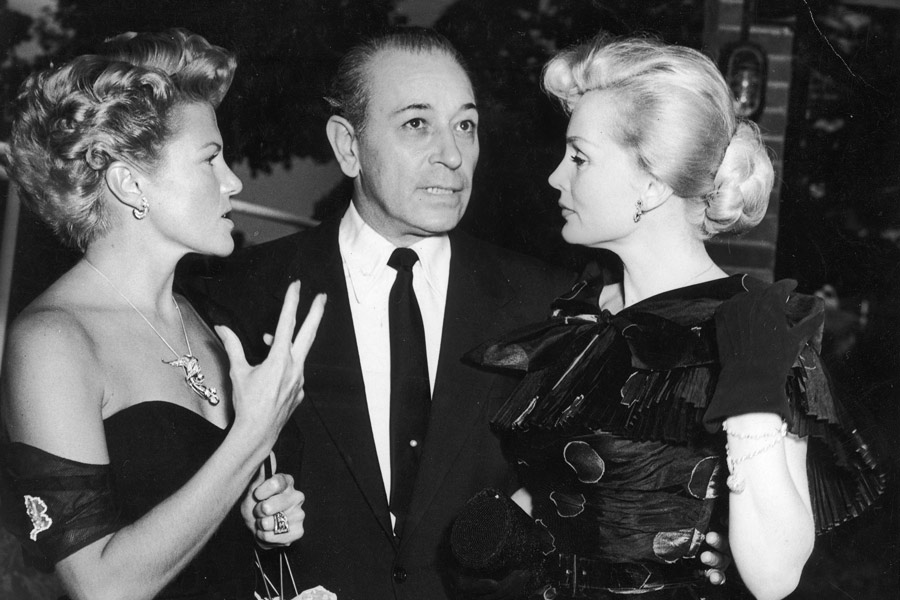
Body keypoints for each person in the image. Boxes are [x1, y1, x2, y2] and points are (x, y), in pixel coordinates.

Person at [183, 28, 730, 600]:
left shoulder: (552, 303)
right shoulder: (245, 292)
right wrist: (245, 514)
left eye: (465, 126)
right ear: (348, 146)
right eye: (416, 124)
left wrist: (712, 540)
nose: (451, 155)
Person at [468, 34, 886, 600]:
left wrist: (751, 400)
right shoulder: (584, 317)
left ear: (653, 182)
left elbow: (774, 577)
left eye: (579, 156)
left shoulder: (751, 324)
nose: (555, 176)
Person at [0, 29, 325, 600]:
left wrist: (257, 517)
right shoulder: (53, 339)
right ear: (130, 183)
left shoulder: (198, 319)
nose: (233, 182)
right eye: (211, 158)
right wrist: (251, 437)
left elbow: (192, 505)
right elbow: (100, 586)